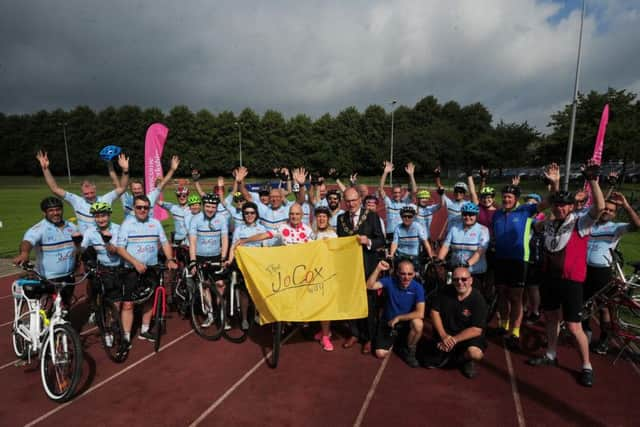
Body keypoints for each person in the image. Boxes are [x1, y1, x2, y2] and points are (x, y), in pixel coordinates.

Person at [527, 161, 604, 388]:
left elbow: (599, 208)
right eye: (557, 205)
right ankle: (551, 355)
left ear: (571, 207)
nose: (560, 208)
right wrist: (554, 184)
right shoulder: (550, 223)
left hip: (571, 282)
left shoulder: (580, 223)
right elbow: (547, 208)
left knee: (573, 327)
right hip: (550, 279)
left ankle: (587, 366)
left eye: (564, 205)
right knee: (550, 319)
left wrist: (592, 179)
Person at [492, 184, 547, 351]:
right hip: (500, 259)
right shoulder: (497, 214)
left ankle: (515, 332)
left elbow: (547, 203)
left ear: (516, 199)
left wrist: (553, 183)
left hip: (518, 260)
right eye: (505, 196)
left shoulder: (525, 211)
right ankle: (503, 324)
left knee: (515, 298)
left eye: (510, 197)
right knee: (501, 292)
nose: (506, 199)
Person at [583, 191, 640, 354]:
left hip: (602, 272)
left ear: (615, 214)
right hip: (584, 269)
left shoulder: (616, 228)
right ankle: (585, 333)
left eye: (611, 210)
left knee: (604, 308)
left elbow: (637, 225)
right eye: (605, 209)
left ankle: (604, 340)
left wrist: (627, 206)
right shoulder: (589, 224)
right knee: (584, 303)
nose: (607, 211)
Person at [115, 195, 177, 342]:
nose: (142, 210)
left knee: (149, 301)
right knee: (128, 304)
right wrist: (135, 262)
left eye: (145, 207)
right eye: (139, 207)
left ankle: (144, 330)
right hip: (131, 269)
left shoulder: (155, 223)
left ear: (149, 209)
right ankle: (126, 336)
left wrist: (169, 259)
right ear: (134, 209)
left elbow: (165, 242)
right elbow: (120, 249)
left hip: (151, 268)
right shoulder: (127, 224)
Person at [336, 187, 385, 354]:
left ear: (359, 199)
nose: (351, 204)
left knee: (369, 304)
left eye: (353, 200)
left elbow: (381, 240)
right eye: (347, 200)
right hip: (349, 269)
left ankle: (369, 337)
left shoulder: (372, 216)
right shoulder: (341, 219)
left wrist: (369, 241)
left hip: (368, 267)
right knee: (352, 302)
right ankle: (354, 333)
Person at [36, 150, 129, 232]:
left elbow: (122, 188)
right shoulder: (77, 201)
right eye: (86, 194)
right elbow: (55, 189)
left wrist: (125, 171)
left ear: (95, 188)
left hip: (104, 242)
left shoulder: (105, 199)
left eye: (91, 192)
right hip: (85, 245)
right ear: (81, 192)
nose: (89, 195)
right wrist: (45, 169)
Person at [13, 197, 82, 306]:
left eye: (58, 209)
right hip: (48, 278)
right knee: (46, 309)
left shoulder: (72, 227)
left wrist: (78, 259)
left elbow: (78, 247)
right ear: (44, 212)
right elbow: (27, 242)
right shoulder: (39, 228)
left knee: (65, 308)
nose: (55, 213)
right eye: (51, 210)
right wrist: (24, 253)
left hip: (68, 276)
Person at [423, 266, 488, 379]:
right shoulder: (444, 291)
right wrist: (443, 336)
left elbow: (476, 330)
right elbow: (434, 312)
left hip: (466, 338)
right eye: (456, 279)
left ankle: (465, 360)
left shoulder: (478, 300)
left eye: (464, 279)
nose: (460, 282)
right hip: (446, 334)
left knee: (475, 353)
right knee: (427, 362)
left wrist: (453, 340)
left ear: (471, 280)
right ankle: (448, 353)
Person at [80, 202, 128, 346]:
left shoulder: (119, 229)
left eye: (104, 215)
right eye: (97, 216)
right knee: (99, 302)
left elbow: (116, 250)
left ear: (109, 215)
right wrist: (77, 247)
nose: (101, 219)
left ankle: (113, 324)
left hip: (117, 268)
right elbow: (82, 249)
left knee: (116, 303)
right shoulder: (90, 232)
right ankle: (105, 329)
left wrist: (106, 241)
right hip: (101, 269)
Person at [367, 260, 425, 367]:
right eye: (403, 273)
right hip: (388, 322)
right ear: (397, 273)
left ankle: (409, 350)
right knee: (380, 354)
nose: (406, 277)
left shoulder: (418, 287)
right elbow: (369, 286)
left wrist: (399, 318)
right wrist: (378, 268)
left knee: (418, 324)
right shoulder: (390, 281)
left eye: (409, 274)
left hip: (405, 323)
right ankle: (396, 343)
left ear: (414, 274)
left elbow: (420, 313)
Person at [188, 193, 229, 328]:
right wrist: (193, 261)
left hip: (216, 256)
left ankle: (221, 313)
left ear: (216, 207)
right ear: (203, 206)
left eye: (213, 206)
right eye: (207, 206)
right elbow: (192, 241)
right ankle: (210, 314)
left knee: (221, 284)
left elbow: (224, 239)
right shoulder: (196, 219)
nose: (210, 209)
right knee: (204, 285)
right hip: (200, 256)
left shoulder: (222, 219)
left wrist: (223, 257)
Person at [437, 202, 490, 281]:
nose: (467, 217)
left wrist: (467, 264)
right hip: (454, 270)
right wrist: (439, 259)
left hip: (474, 271)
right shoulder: (454, 228)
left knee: (472, 292)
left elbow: (480, 251)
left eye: (471, 214)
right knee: (447, 288)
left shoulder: (483, 230)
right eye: (465, 214)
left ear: (476, 216)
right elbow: (445, 246)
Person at [378, 161, 416, 242]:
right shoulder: (389, 202)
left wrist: (411, 175)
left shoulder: (405, 202)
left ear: (402, 192)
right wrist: (385, 172)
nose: (397, 194)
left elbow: (414, 190)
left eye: (399, 192)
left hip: (402, 234)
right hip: (390, 234)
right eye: (395, 192)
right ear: (392, 193)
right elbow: (380, 189)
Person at [389, 206, 433, 273]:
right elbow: (395, 243)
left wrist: (430, 255)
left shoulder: (418, 227)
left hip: (414, 256)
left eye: (410, 216)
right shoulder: (398, 228)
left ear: (413, 217)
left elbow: (425, 242)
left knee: (417, 275)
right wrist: (391, 255)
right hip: (401, 255)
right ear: (401, 217)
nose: (407, 218)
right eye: (404, 216)